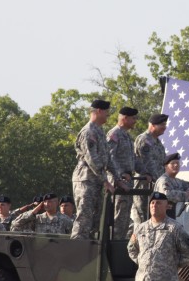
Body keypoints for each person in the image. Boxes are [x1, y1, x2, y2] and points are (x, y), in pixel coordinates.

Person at [71, 99, 123, 240]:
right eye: (106, 112)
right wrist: (106, 181)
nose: (108, 115)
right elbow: (92, 159)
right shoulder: (88, 132)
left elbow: (108, 158)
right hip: (85, 179)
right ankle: (76, 252)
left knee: (96, 220)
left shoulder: (99, 131)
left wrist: (117, 178)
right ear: (99, 111)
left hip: (97, 180)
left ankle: (92, 256)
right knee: (84, 218)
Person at [108, 107, 151, 240]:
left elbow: (133, 159)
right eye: (133, 118)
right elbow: (109, 157)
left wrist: (145, 172)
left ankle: (119, 244)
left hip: (128, 183)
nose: (135, 121)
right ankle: (112, 249)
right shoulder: (114, 134)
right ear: (125, 118)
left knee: (125, 220)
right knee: (118, 219)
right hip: (119, 183)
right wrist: (120, 175)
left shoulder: (126, 136)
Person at [133, 113, 168, 224]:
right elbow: (146, 163)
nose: (164, 127)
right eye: (161, 124)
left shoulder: (158, 143)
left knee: (152, 217)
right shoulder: (144, 139)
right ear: (152, 125)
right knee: (142, 215)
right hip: (144, 184)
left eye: (165, 124)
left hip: (155, 185)